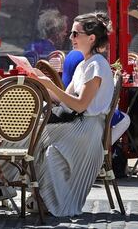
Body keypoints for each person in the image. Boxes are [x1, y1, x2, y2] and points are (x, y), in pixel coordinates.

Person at [19, 12, 115, 217]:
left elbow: (80, 105)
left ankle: (4, 180)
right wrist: (39, 80)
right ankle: (17, 186)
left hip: (87, 130)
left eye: (75, 33)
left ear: (91, 38)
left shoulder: (97, 64)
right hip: (77, 126)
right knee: (30, 135)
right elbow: (63, 99)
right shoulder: (83, 65)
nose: (71, 38)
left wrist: (50, 84)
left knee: (28, 135)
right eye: (71, 33)